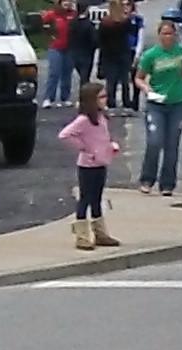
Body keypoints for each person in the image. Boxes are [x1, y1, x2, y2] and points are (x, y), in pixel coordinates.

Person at [135, 20, 182, 196]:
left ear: (175, 35)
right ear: (159, 35)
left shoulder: (181, 53)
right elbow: (139, 77)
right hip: (156, 104)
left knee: (172, 144)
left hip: (178, 102)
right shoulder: (151, 55)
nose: (167, 37)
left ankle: (167, 184)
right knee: (155, 141)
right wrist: (146, 88)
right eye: (164, 34)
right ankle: (147, 179)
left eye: (170, 34)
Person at [58, 82, 123, 250]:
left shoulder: (101, 118)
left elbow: (102, 138)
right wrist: (84, 147)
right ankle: (81, 235)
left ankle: (100, 232)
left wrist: (110, 147)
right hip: (88, 165)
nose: (105, 99)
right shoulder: (83, 120)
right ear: (91, 100)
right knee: (85, 198)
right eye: (101, 97)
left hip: (101, 162)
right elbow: (64, 135)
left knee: (97, 198)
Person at [40, 0, 78, 108]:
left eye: (69, 1)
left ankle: (65, 97)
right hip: (56, 47)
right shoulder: (52, 14)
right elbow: (42, 25)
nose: (67, 3)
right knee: (54, 72)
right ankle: (48, 98)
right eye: (65, 0)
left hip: (69, 48)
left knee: (67, 73)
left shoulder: (73, 14)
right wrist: (49, 35)